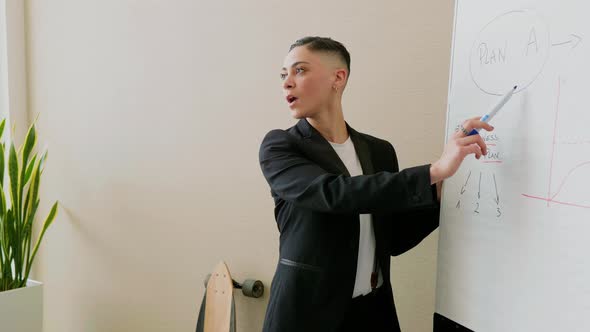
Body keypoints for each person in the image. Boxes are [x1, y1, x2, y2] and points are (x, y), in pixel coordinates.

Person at [258, 36, 492, 332]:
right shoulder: (280, 146)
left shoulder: (380, 151)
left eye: (299, 70)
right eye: (284, 74)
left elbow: (392, 239)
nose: (286, 82)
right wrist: (433, 171)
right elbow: (333, 194)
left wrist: (440, 187)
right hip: (307, 316)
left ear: (338, 77)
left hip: (373, 313)